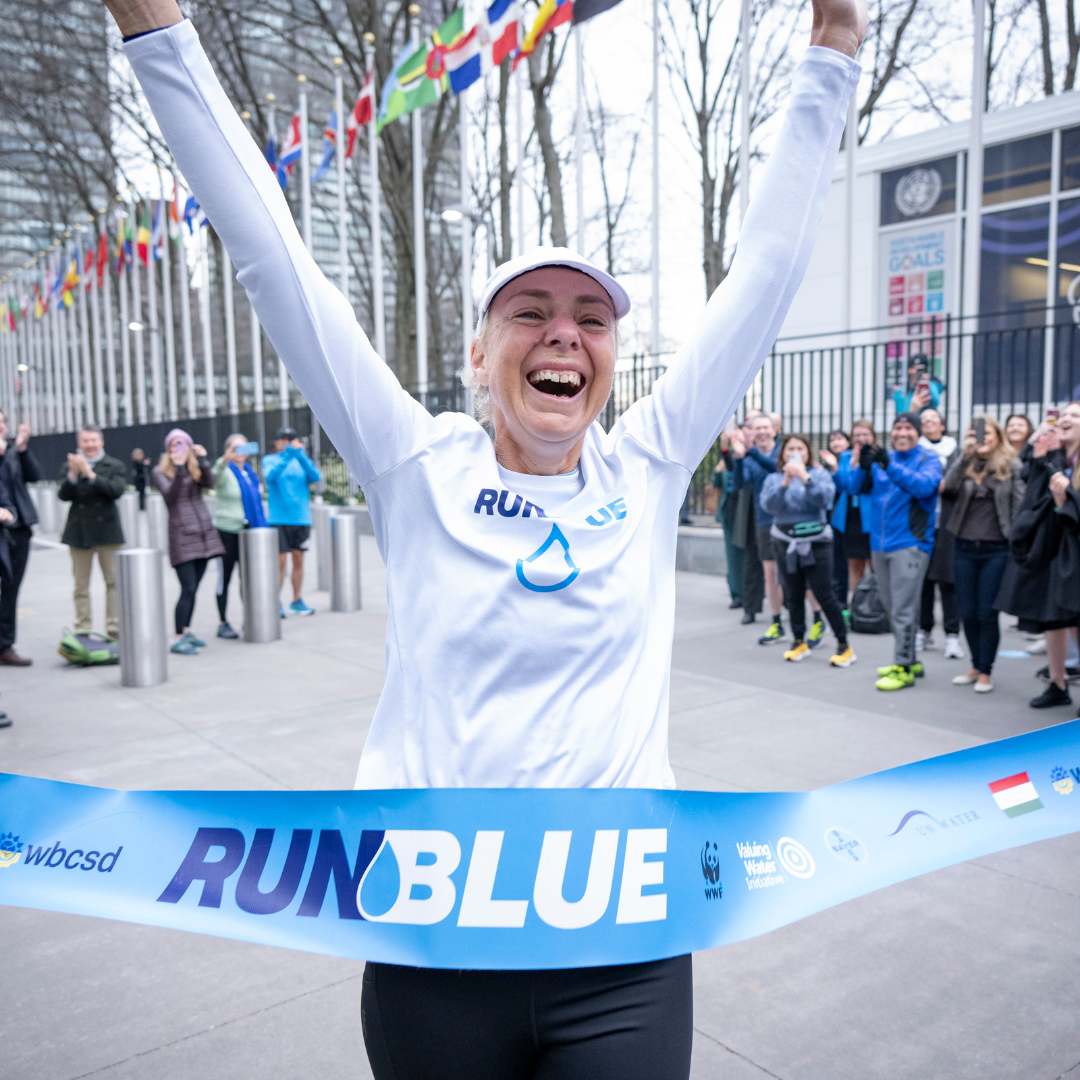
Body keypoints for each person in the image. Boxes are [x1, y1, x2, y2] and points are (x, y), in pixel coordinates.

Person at [111, 0, 864, 1073]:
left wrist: (831, 51)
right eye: (531, 312)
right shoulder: (417, 465)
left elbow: (768, 270)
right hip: (432, 946)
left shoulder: (646, 467)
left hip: (624, 949)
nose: (564, 333)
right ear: (479, 355)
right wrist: (160, 34)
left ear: (608, 358)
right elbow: (270, 251)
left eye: (591, 319)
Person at [848, 412, 942, 690]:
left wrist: (888, 465)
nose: (902, 433)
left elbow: (924, 487)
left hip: (910, 545)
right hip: (879, 545)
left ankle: (902, 667)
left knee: (902, 609)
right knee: (891, 608)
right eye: (897, 428)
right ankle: (910, 660)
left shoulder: (928, 459)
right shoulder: (880, 460)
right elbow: (854, 489)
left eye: (908, 428)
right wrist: (863, 467)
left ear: (918, 432)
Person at [998, 403, 1080, 709]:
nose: (1066, 419)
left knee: (1074, 618)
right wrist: (1042, 452)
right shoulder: (1058, 453)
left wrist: (1063, 499)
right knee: (1053, 618)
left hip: (1071, 547)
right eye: (1065, 415)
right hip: (1051, 546)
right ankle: (1057, 684)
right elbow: (1031, 485)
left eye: (1075, 415)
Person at [943, 416, 1024, 693]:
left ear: (997, 435)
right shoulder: (966, 462)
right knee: (967, 612)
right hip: (964, 547)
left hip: (996, 550)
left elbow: (1018, 506)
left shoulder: (1011, 464)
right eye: (975, 432)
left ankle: (986, 671)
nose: (981, 437)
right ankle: (975, 665)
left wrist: (1014, 541)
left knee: (987, 613)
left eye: (986, 432)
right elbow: (948, 486)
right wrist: (965, 454)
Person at [760, 434, 855, 667]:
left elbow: (824, 501)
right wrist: (785, 483)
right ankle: (798, 641)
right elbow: (769, 506)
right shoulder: (773, 478)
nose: (795, 452)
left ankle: (844, 645)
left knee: (824, 593)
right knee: (793, 593)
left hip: (816, 542)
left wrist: (805, 478)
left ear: (807, 452)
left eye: (800, 448)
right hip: (784, 541)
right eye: (790, 448)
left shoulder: (819, 474)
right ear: (783, 454)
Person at [152, 429, 224, 655]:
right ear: (168, 449)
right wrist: (180, 467)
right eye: (174, 445)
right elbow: (170, 497)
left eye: (182, 444)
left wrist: (201, 460)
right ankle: (178, 637)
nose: (177, 449)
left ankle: (186, 629)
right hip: (181, 535)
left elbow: (209, 483)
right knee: (188, 587)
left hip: (203, 534)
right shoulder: (160, 471)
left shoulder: (194, 467)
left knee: (194, 589)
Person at [58, 424, 126, 640]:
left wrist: (91, 474)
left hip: (108, 532)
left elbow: (116, 491)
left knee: (113, 582)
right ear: (79, 443)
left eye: (93, 440)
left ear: (101, 442)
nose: (89, 445)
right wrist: (73, 474)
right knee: (80, 585)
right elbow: (64, 495)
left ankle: (114, 626)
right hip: (79, 532)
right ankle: (83, 628)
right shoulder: (70, 466)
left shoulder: (114, 465)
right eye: (85, 441)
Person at [731, 413, 788, 644]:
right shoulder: (750, 457)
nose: (762, 432)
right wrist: (737, 457)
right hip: (764, 522)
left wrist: (750, 451)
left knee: (792, 573)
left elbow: (778, 469)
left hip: (787, 519)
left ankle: (805, 618)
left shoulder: (782, 452)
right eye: (757, 428)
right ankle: (776, 621)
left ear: (774, 430)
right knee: (770, 574)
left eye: (766, 427)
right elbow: (738, 484)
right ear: (752, 432)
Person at [915, 407, 963, 659]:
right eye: (923, 420)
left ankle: (953, 636)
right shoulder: (916, 450)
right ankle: (924, 631)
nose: (928, 423)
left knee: (948, 581)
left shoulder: (956, 452)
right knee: (923, 581)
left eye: (933, 420)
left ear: (942, 426)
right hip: (923, 523)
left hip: (948, 523)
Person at [211, 433, 266, 639]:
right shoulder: (224, 470)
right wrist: (224, 459)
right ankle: (222, 622)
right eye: (235, 448)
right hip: (226, 531)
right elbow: (213, 475)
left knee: (248, 578)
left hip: (248, 532)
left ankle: (250, 617)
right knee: (224, 578)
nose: (240, 452)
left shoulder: (250, 473)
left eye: (243, 448)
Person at [263, 426, 320, 617]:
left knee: (299, 560)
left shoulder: (301, 460)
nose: (287, 442)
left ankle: (297, 600)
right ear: (277, 442)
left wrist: (300, 455)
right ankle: (275, 602)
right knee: (280, 562)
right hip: (278, 520)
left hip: (301, 519)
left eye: (291, 439)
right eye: (284, 439)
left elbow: (315, 476)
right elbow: (270, 477)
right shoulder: (270, 460)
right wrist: (288, 455)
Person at [0, 412, 41, 665]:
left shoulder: (13, 452)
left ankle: (5, 645)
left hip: (18, 529)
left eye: (3, 422)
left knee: (11, 590)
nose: (3, 427)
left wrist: (22, 450)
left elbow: (35, 475)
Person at [833, 419, 875, 600]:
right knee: (854, 564)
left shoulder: (877, 456)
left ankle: (878, 605)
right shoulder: (844, 457)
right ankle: (857, 605)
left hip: (871, 515)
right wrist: (853, 464)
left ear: (872, 437)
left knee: (875, 563)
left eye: (865, 434)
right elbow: (844, 485)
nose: (861, 438)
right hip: (850, 516)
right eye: (857, 435)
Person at [818, 428, 851, 608]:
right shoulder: (826, 465)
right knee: (834, 561)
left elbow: (843, 486)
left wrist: (834, 468)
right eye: (832, 440)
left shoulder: (849, 462)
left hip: (846, 518)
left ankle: (845, 601)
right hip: (829, 518)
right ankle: (836, 599)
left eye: (840, 439)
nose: (836, 443)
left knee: (845, 561)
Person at [712, 428, 742, 609]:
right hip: (729, 510)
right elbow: (715, 484)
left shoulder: (747, 457)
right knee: (733, 556)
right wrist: (717, 470)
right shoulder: (724, 459)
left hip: (746, 510)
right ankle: (736, 593)